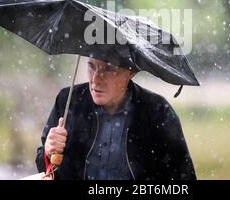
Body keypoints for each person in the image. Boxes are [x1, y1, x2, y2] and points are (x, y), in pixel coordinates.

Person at [35, 57, 196, 180]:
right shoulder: (68, 100)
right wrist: (49, 152)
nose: (96, 79)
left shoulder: (157, 111)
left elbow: (182, 177)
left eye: (108, 68)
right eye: (91, 66)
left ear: (131, 71)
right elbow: (44, 166)